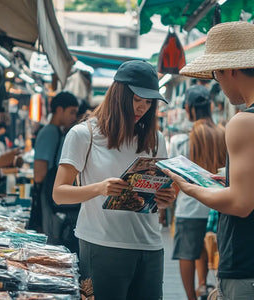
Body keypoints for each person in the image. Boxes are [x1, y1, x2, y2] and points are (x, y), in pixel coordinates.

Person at [164, 21, 254, 299]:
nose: (220, 84)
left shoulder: (245, 122)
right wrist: (228, 178)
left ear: (229, 70)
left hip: (253, 273)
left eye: (217, 75)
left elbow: (241, 203)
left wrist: (192, 189)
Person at [53, 60, 176, 299]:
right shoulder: (83, 134)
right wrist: (99, 188)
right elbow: (59, 193)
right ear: (118, 95)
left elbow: (156, 199)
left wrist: (165, 198)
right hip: (103, 246)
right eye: (137, 99)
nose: (142, 108)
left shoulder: (156, 138)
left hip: (150, 246)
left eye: (148, 102)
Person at [170, 85, 226, 300]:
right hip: (219, 206)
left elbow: (175, 177)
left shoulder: (182, 140)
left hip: (189, 207)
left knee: (187, 253)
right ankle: (207, 287)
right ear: (210, 107)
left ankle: (192, 297)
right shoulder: (223, 134)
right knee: (214, 250)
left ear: (188, 108)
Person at [31, 91, 79, 248]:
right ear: (59, 110)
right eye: (71, 112)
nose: (74, 117)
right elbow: (39, 174)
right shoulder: (50, 132)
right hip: (47, 195)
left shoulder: (58, 132)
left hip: (51, 196)